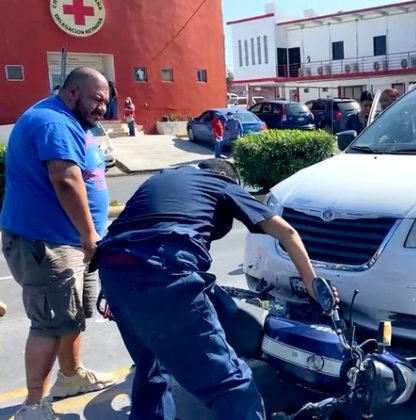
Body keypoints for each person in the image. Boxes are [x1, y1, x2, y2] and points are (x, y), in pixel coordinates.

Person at [90, 159, 332, 420]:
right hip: (164, 270)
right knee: (233, 386)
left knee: (151, 365)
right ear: (228, 177)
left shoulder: (162, 178)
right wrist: (312, 284)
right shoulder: (221, 183)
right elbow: (286, 232)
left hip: (113, 270)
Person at [0, 66, 119, 420]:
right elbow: (65, 180)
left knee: (72, 317)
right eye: (97, 99)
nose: (102, 108)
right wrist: (89, 235)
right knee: (50, 325)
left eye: (106, 102)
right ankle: (33, 406)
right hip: (47, 244)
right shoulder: (53, 122)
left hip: (72, 242)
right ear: (72, 92)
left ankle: (70, 377)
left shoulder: (73, 122)